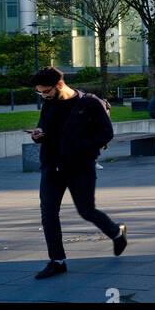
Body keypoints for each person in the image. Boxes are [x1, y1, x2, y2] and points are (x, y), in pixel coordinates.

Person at [27, 66, 127, 281]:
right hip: (51, 166)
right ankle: (57, 261)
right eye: (40, 92)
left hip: (80, 166)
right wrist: (38, 135)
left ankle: (116, 233)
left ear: (60, 84)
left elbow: (106, 133)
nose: (43, 96)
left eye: (46, 91)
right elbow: (44, 129)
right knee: (48, 214)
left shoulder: (89, 103)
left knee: (86, 210)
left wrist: (80, 147)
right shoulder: (49, 104)